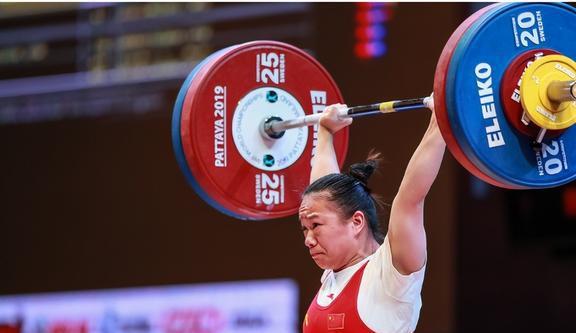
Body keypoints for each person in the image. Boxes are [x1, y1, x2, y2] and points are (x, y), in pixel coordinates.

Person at [299, 98, 446, 333]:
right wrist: (325, 132)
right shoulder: (334, 276)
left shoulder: (390, 274)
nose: (308, 239)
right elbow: (322, 195)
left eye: (315, 226)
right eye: (305, 228)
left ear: (356, 222)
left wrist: (440, 121)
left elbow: (410, 199)